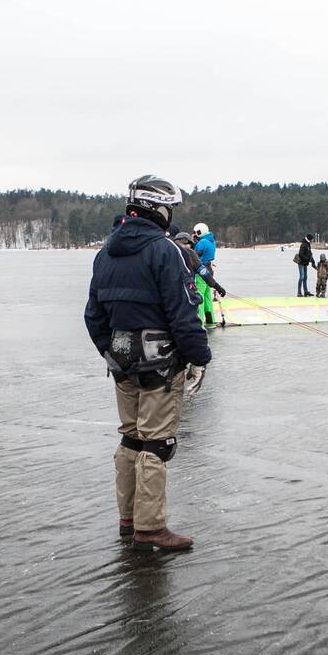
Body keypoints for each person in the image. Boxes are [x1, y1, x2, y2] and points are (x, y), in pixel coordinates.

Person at [84, 175, 212, 552]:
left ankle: (128, 519)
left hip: (121, 364)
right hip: (159, 366)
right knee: (156, 444)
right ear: (159, 208)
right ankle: (151, 527)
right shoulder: (165, 251)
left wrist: (111, 351)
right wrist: (199, 358)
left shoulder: (105, 253)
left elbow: (93, 315)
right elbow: (183, 314)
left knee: (130, 438)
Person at [170, 228, 227, 323]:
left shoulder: (168, 251)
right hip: (184, 292)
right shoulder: (190, 253)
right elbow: (203, 272)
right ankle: (204, 321)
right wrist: (217, 287)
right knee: (203, 298)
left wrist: (217, 286)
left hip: (173, 296)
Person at [192, 223, 218, 325]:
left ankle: (200, 321)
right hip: (210, 270)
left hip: (201, 271)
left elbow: (195, 254)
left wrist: (194, 242)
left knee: (200, 296)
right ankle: (210, 319)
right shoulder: (212, 241)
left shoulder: (202, 242)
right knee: (207, 296)